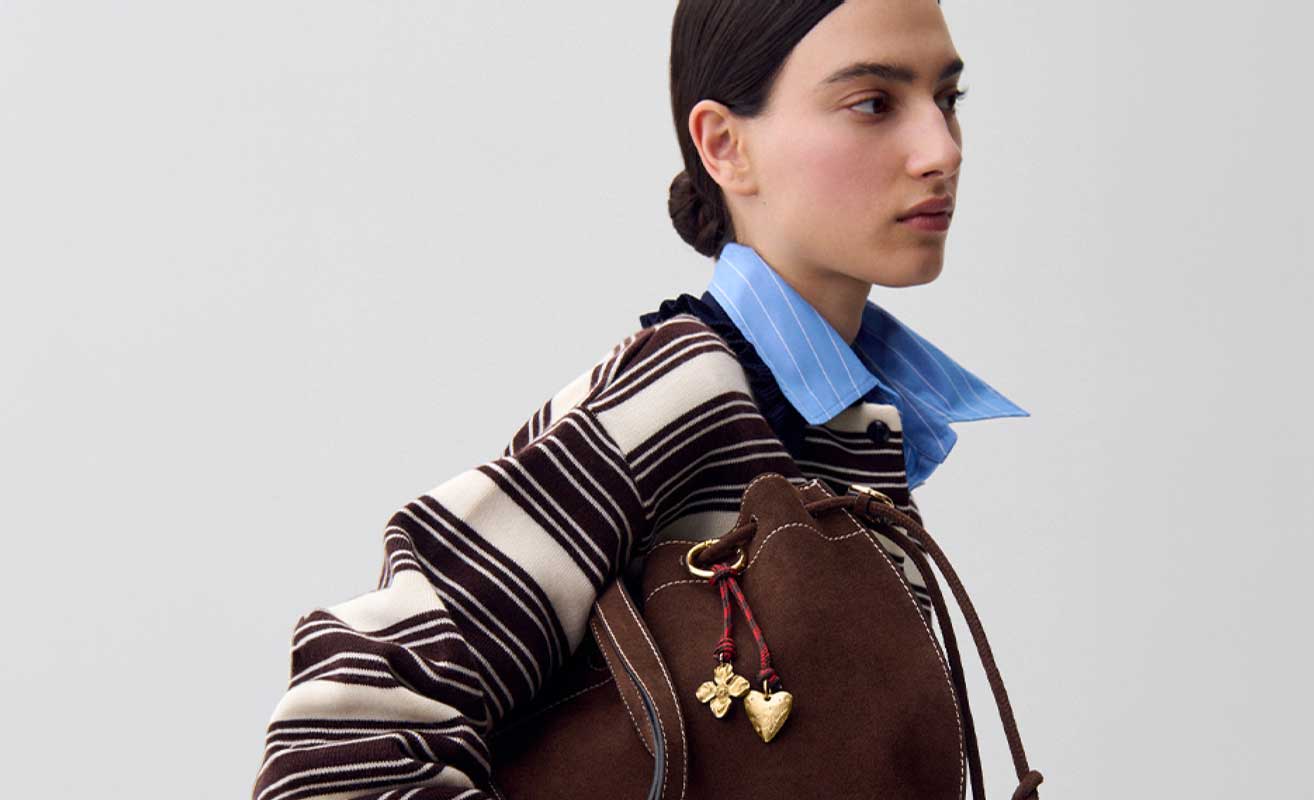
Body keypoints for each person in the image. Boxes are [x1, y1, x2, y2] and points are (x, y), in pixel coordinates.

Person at [249, 1, 1029, 797]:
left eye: (948, 99)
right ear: (725, 146)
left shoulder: (858, 421)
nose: (941, 149)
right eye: (873, 103)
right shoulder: (686, 389)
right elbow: (346, 722)